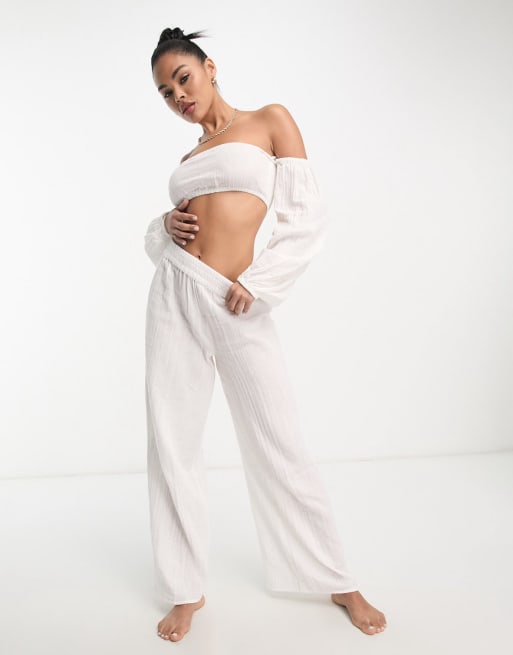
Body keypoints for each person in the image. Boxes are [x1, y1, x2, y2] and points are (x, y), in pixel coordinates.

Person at [143, 26, 387, 642]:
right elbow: (160, 239)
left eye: (183, 78)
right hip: (174, 292)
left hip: (235, 299)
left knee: (279, 438)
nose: (178, 96)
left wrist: (262, 282)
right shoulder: (187, 161)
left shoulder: (269, 120)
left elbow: (307, 216)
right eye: (166, 92)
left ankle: (337, 578)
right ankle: (184, 590)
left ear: (209, 67)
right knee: (172, 441)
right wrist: (162, 226)